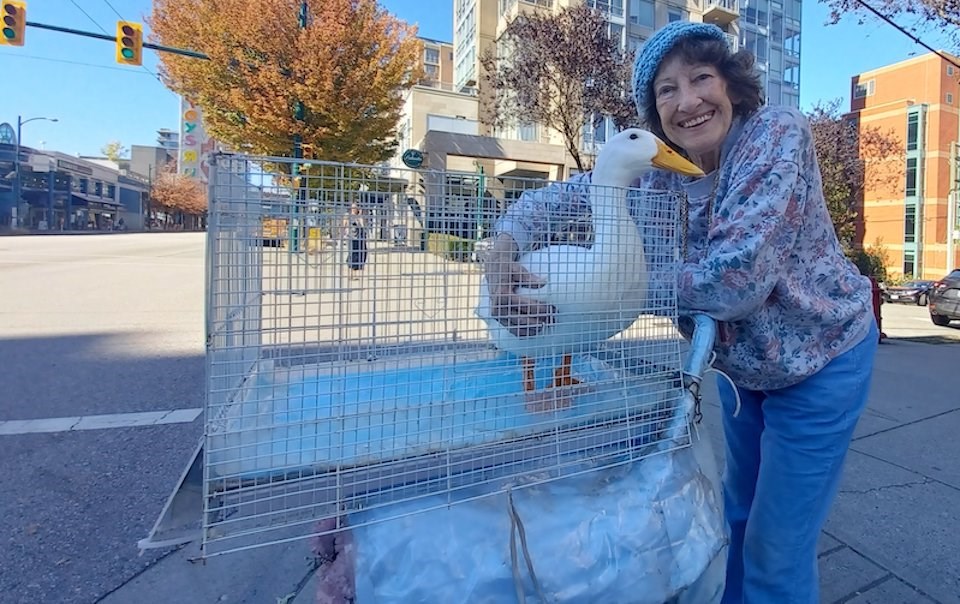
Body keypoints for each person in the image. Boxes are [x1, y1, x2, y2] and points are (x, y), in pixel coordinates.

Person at [481, 21, 878, 604]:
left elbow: (735, 281)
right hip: (746, 373)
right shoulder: (659, 177)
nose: (687, 100)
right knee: (738, 513)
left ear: (732, 84)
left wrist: (613, 285)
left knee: (776, 546)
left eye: (700, 78)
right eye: (666, 90)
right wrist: (502, 250)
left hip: (823, 357)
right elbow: (562, 197)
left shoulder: (775, 136)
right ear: (655, 112)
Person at [346, 205, 368, 278]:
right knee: (352, 255)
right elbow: (343, 226)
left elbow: (363, 226)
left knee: (361, 254)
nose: (355, 209)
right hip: (352, 238)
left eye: (356, 207)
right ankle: (350, 274)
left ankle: (355, 274)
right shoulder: (348, 216)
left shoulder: (359, 217)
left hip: (360, 238)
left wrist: (360, 216)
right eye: (353, 207)